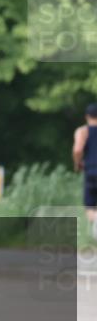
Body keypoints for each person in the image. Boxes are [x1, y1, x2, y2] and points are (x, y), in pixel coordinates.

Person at [72, 103, 97, 241]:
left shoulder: (83, 131)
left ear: (87, 116)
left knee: (90, 205)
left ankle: (95, 223)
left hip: (91, 171)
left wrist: (78, 163)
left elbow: (77, 150)